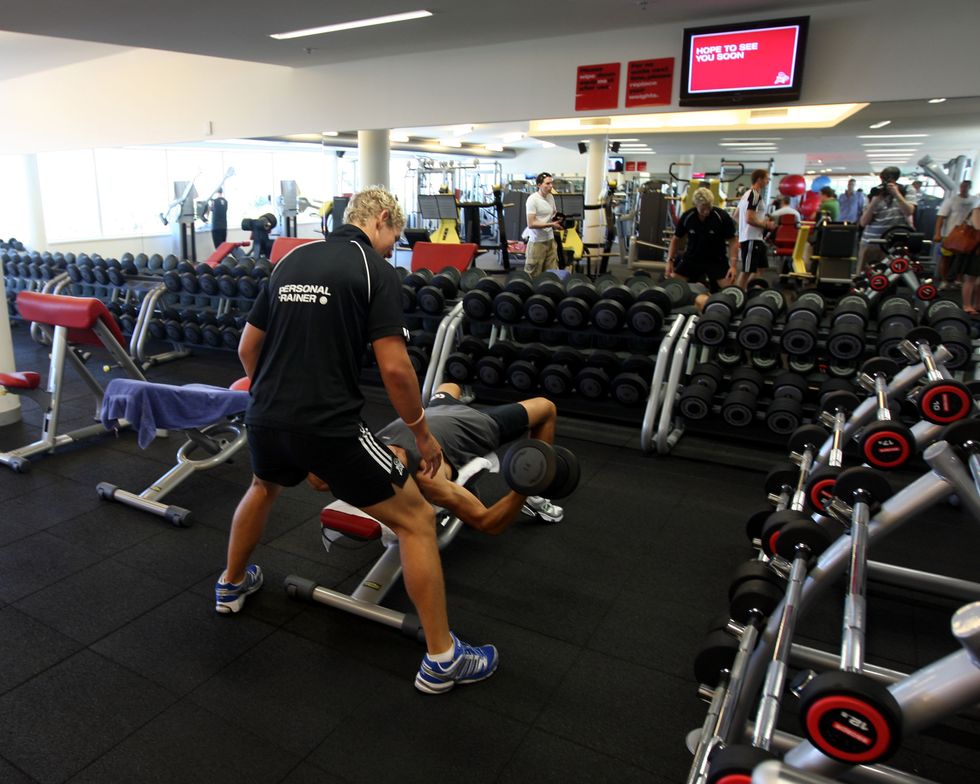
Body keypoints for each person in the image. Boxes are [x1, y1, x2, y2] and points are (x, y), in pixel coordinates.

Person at [216, 186, 498, 695]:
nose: (394, 246)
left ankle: (230, 585)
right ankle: (442, 658)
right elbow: (395, 368)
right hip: (331, 426)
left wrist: (273, 400)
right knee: (417, 520)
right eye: (395, 235)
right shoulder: (374, 269)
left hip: (265, 415)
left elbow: (247, 347)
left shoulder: (291, 259)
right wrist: (421, 433)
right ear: (383, 218)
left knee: (262, 487)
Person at [309, 383, 564, 534]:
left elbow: (317, 479)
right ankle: (537, 496)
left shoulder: (366, 454)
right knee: (546, 407)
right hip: (478, 423)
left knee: (448, 384)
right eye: (394, 459)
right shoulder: (429, 476)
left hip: (429, 413)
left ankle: (461, 393)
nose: (394, 453)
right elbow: (488, 523)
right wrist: (526, 485)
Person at [665, 187, 738, 291]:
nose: (707, 211)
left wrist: (733, 266)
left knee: (731, 290)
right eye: (703, 208)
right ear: (695, 205)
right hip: (692, 258)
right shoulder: (688, 217)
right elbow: (675, 239)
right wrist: (670, 261)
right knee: (672, 286)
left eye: (709, 207)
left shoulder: (721, 217)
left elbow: (733, 241)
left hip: (716, 259)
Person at [858, 167, 914, 268]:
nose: (886, 182)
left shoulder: (906, 190)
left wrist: (896, 194)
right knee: (866, 273)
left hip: (894, 243)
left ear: (895, 179)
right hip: (871, 242)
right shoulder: (874, 192)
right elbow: (863, 222)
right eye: (884, 178)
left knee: (893, 273)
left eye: (889, 179)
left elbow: (909, 211)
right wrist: (874, 202)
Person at [934, 180, 978, 288]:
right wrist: (938, 233)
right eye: (962, 186)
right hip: (949, 234)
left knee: (962, 259)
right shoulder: (951, 200)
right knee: (946, 258)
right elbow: (941, 217)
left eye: (966, 186)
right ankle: (944, 280)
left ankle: (958, 279)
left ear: (970, 187)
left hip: (966, 235)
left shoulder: (975, 200)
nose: (963, 188)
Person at [735, 169, 774, 289]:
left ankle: (748, 290)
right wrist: (766, 225)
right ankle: (738, 294)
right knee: (746, 271)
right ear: (759, 179)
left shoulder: (746, 194)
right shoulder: (754, 195)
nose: (768, 181)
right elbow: (749, 219)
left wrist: (744, 229)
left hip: (756, 238)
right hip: (751, 238)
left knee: (761, 268)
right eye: (767, 178)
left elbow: (736, 216)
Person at [524, 172, 563, 275]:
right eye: (547, 183)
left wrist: (558, 220)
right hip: (537, 242)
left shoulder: (550, 197)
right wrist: (551, 225)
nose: (551, 186)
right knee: (533, 275)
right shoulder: (532, 200)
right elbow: (531, 224)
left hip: (550, 240)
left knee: (552, 274)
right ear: (539, 185)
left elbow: (553, 213)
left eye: (551, 183)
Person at [963, 204, 980, 315]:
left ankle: (977, 304)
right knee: (971, 278)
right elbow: (978, 227)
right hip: (976, 250)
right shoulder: (977, 211)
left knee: (977, 281)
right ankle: (967, 305)